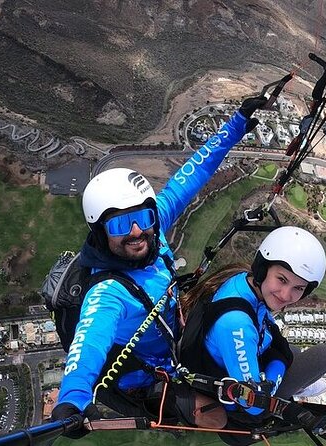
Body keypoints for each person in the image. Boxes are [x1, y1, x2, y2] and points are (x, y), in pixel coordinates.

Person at [51, 96, 268, 433]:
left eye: (142, 218)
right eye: (121, 225)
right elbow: (89, 343)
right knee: (217, 418)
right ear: (100, 231)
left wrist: (236, 125)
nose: (137, 231)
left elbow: (191, 175)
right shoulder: (108, 292)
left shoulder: (153, 231)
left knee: (234, 291)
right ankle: (249, 424)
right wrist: (73, 399)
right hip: (150, 375)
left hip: (175, 334)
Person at [179, 226, 326, 444]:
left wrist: (280, 356)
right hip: (240, 410)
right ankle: (296, 384)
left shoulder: (244, 282)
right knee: (324, 356)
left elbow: (271, 333)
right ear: (263, 269)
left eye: (298, 288)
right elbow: (252, 405)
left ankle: (293, 378)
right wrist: (278, 365)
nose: (286, 295)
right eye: (282, 280)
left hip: (222, 367)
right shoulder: (238, 324)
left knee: (292, 351)